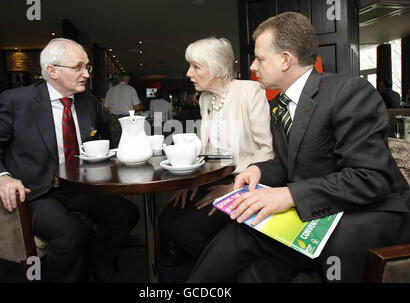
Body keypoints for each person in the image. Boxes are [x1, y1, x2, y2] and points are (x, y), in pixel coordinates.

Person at [187, 12, 409, 283]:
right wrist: (259, 170)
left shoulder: (348, 92)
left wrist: (289, 195)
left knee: (338, 245)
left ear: (285, 60)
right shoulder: (279, 104)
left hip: (366, 212)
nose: (253, 66)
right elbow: (287, 163)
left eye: (260, 58)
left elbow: (371, 178)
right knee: (240, 228)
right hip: (320, 207)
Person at [0, 38, 139, 282]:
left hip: (79, 187)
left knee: (127, 213)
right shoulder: (17, 101)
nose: (86, 74)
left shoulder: (88, 102)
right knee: (71, 234)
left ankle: (94, 265)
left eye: (87, 67)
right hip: (38, 192)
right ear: (52, 71)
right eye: (78, 67)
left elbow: (92, 137)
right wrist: (2, 179)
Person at [160, 37, 274, 267]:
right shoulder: (205, 99)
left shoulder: (250, 92)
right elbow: (207, 147)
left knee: (187, 230)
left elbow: (267, 150)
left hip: (245, 182)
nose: (189, 73)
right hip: (213, 176)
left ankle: (233, 273)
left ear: (218, 70)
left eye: (196, 66)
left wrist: (233, 189)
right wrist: (193, 180)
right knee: (166, 216)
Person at [103, 74, 141, 148]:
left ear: (118, 80)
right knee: (129, 139)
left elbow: (106, 108)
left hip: (114, 119)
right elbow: (137, 107)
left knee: (116, 141)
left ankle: (118, 156)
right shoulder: (131, 89)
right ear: (127, 80)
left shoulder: (111, 90)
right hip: (127, 118)